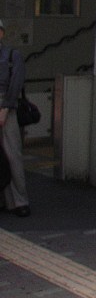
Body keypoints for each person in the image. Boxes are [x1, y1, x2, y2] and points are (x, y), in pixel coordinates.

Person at [0, 19, 30, 217]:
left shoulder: (12, 55)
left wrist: (4, 108)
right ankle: (5, 200)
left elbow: (16, 82)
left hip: (6, 104)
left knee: (12, 154)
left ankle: (20, 201)